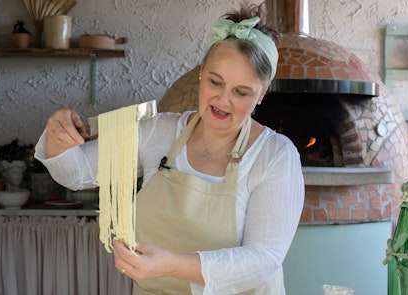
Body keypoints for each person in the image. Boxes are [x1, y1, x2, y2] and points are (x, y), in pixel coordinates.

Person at [34, 3, 304, 294]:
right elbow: (75, 172)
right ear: (202, 72)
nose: (222, 101)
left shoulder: (275, 156)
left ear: (262, 93)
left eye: (241, 92)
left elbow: (262, 262)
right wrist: (58, 135)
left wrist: (172, 264)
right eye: (215, 81)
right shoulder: (159, 131)